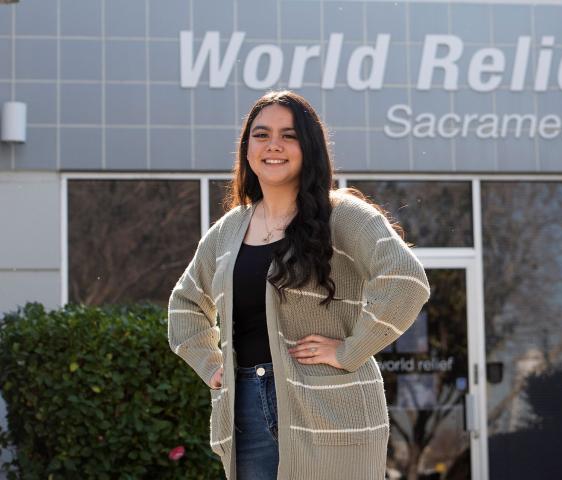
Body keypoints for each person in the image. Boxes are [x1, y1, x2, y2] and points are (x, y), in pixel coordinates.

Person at [167, 90, 430, 480]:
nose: (274, 145)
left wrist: (352, 349)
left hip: (333, 409)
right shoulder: (229, 231)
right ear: (246, 148)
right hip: (246, 413)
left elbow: (406, 280)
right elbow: (185, 305)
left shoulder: (343, 215)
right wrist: (212, 365)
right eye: (261, 134)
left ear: (308, 147)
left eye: (288, 135)